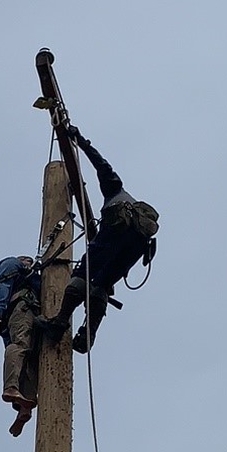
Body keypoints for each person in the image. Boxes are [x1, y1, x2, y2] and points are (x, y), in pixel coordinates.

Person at [38, 128, 158, 352]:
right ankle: (88, 335)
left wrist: (81, 141)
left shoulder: (114, 190)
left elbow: (101, 165)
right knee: (102, 283)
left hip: (117, 231)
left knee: (83, 272)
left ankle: (59, 323)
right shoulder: (137, 216)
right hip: (138, 245)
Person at [0, 255, 42, 436]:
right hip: (22, 308)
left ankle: (25, 406)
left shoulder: (32, 277)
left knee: (31, 358)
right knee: (20, 345)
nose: (29, 262)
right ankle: (11, 387)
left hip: (33, 314)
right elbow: (2, 284)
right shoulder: (12, 263)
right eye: (26, 260)